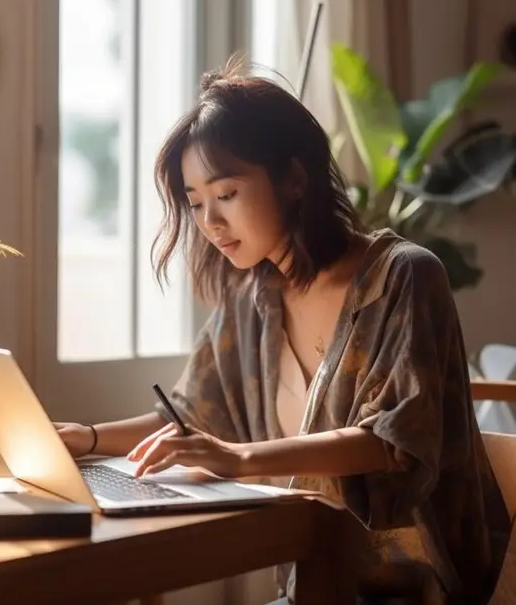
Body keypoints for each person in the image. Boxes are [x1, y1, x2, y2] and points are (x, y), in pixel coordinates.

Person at [56, 56, 509, 604]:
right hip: (316, 582)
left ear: (294, 179)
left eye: (225, 194)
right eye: (195, 203)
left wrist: (240, 457)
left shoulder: (405, 276)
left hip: (411, 586)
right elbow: (191, 416)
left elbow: (394, 441)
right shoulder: (255, 295)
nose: (209, 223)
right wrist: (90, 437)